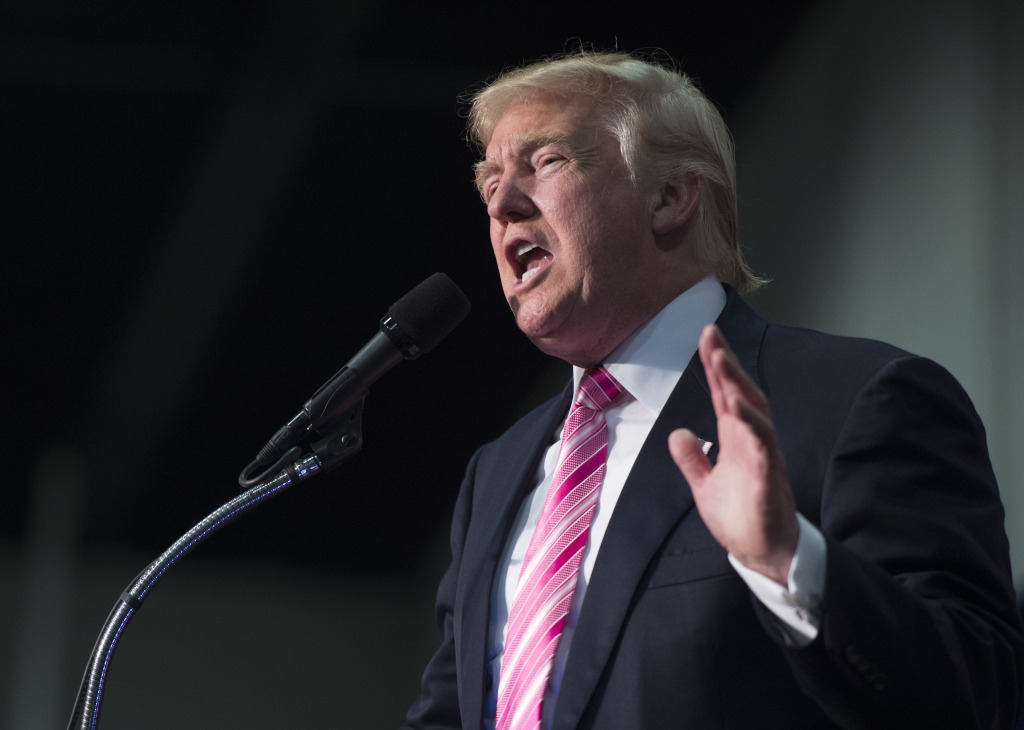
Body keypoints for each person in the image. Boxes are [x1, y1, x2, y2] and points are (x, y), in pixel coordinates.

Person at [401, 51, 1023, 730]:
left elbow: (977, 692)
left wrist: (788, 560)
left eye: (546, 161)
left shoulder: (859, 402)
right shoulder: (495, 472)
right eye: (490, 180)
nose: (500, 202)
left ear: (670, 197)